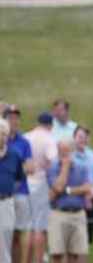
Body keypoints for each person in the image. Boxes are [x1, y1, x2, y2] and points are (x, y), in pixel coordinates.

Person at [46, 139, 90, 263]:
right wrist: (65, 168)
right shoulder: (53, 168)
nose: (64, 156)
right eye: (61, 152)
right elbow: (58, 187)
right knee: (57, 254)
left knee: (75, 254)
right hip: (58, 214)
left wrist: (67, 190)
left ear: (72, 151)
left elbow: (87, 188)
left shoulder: (81, 167)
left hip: (78, 214)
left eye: (66, 152)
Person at [24, 112, 58, 263]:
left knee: (29, 226)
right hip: (41, 183)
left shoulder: (26, 136)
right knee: (40, 227)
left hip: (25, 184)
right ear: (50, 125)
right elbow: (53, 160)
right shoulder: (49, 139)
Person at [4, 105, 34, 263]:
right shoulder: (2, 140)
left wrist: (10, 166)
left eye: (16, 118)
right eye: (10, 117)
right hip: (4, 194)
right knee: (6, 232)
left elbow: (30, 168)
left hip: (21, 192)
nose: (14, 121)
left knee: (22, 231)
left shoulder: (24, 142)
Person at [73, 126, 93, 245]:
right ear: (74, 138)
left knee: (86, 241)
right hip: (73, 201)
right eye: (80, 137)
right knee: (73, 240)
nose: (82, 140)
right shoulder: (69, 156)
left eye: (85, 137)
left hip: (91, 202)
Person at [0, 118, 26, 263]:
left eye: (4, 134)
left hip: (6, 204)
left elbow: (19, 179)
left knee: (4, 242)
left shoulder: (14, 155)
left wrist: (7, 191)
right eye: (0, 133)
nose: (2, 137)